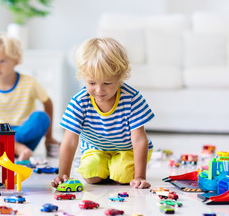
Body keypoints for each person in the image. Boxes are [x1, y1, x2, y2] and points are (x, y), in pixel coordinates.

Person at [51, 37, 155, 189]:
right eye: (92, 83)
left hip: (128, 150)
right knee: (92, 176)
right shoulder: (80, 101)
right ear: (83, 76)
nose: (99, 90)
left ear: (120, 77)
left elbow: (139, 140)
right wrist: (63, 175)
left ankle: (116, 167)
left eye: (107, 83)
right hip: (96, 149)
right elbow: (70, 139)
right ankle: (106, 167)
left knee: (123, 176)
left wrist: (140, 177)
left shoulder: (131, 98)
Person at [0, 33, 59, 161]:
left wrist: (49, 137)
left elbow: (48, 103)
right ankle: (16, 148)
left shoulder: (30, 82)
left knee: (41, 118)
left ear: (15, 60)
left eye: (2, 61)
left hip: (21, 133)